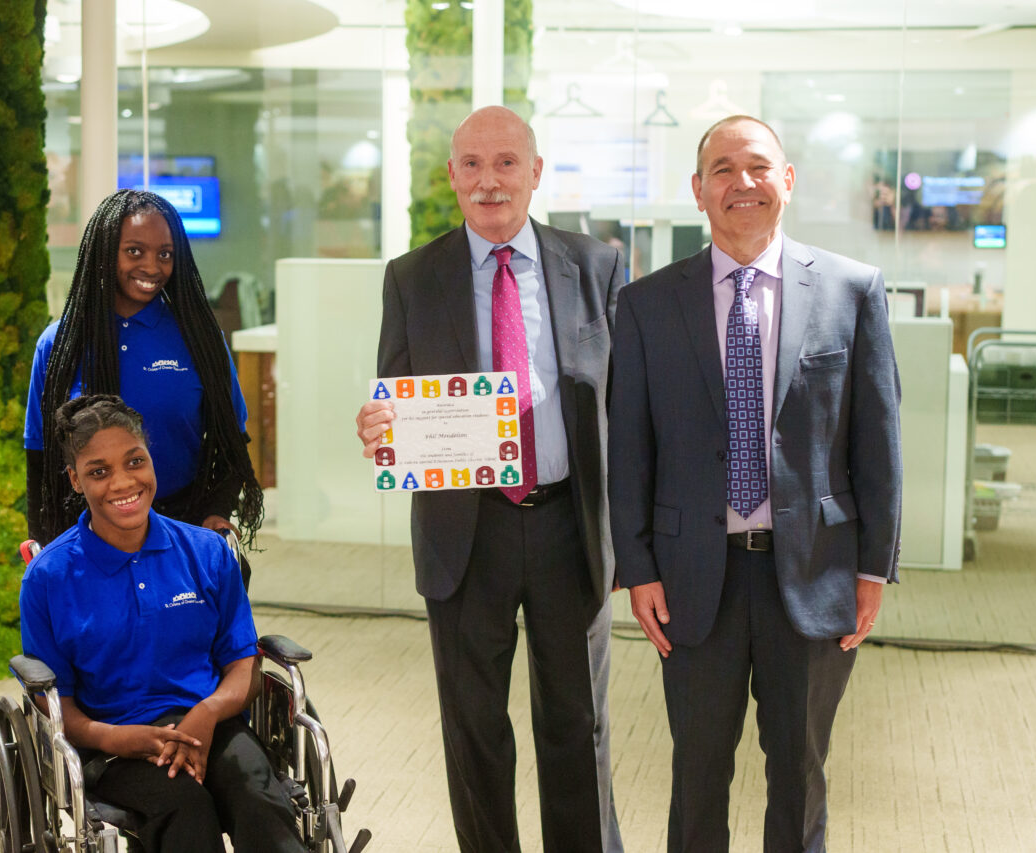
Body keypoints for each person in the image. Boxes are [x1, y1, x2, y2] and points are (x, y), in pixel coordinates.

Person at [607, 115, 902, 852]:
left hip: (814, 571)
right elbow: (630, 448)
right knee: (697, 771)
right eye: (725, 170)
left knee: (800, 771)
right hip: (690, 576)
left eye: (760, 167)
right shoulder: (647, 303)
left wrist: (874, 566)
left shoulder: (851, 289)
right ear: (699, 191)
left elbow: (878, 441)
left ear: (788, 180)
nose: (744, 183)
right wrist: (636, 566)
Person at [355, 106, 624, 852]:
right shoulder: (413, 278)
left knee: (576, 722)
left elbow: (625, 408)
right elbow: (398, 402)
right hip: (466, 532)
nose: (488, 180)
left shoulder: (595, 266)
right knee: (475, 727)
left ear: (536, 172)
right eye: (471, 164)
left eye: (506, 162)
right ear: (452, 177)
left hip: (571, 524)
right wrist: (382, 431)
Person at [19, 394, 304, 853]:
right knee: (184, 808)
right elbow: (57, 707)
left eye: (135, 461)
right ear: (75, 479)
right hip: (114, 742)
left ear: (152, 461)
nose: (123, 482)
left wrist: (208, 713)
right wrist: (118, 738)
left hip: (208, 720)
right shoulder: (49, 578)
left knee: (257, 793)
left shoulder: (206, 553)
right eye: (98, 471)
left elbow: (243, 664)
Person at [24, 189, 262, 546]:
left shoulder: (199, 338)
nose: (152, 267)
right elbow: (40, 458)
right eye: (135, 251)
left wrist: (217, 512)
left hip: (184, 527)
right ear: (105, 252)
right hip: (88, 536)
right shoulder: (59, 344)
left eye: (165, 254)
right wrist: (45, 548)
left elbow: (232, 444)